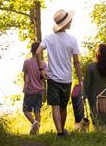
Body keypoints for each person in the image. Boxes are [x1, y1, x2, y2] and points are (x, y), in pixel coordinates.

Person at [35, 9, 83, 137]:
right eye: (69, 20)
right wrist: (80, 79)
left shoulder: (48, 38)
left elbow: (38, 52)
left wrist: (41, 70)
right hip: (66, 79)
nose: (71, 21)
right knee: (63, 107)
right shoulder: (72, 40)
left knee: (55, 106)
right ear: (65, 24)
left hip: (52, 78)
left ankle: (60, 132)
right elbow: (76, 62)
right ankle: (62, 129)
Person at [83, 43, 106, 130]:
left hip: (94, 95)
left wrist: (84, 95)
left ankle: (97, 130)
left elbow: (86, 83)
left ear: (97, 53)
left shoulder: (90, 67)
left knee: (96, 113)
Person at [22, 41, 47, 135]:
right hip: (40, 90)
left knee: (26, 110)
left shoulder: (26, 62)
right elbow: (44, 77)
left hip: (29, 90)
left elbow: (25, 76)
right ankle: (37, 132)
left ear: (31, 50)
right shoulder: (44, 64)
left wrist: (26, 85)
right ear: (40, 51)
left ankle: (34, 123)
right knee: (37, 111)